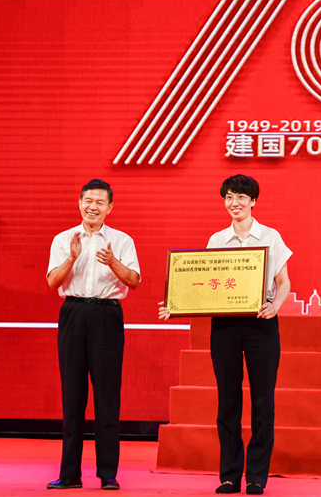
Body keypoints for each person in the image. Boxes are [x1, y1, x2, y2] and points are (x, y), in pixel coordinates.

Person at [160, 174, 292, 496]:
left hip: (261, 324)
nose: (235, 203)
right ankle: (230, 475)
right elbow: (207, 285)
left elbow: (284, 282)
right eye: (229, 197)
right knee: (228, 400)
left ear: (253, 201)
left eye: (241, 197)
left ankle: (257, 476)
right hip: (224, 327)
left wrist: (275, 306)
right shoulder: (217, 239)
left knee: (263, 401)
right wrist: (177, 304)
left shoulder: (271, 236)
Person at [46, 179, 141, 491]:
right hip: (73, 314)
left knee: (107, 397)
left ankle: (108, 474)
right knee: (72, 398)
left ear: (109, 207)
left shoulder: (122, 241)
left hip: (106, 315)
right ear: (79, 203)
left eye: (100, 202)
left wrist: (113, 262)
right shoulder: (63, 239)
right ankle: (69, 474)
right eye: (88, 200)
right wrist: (72, 258)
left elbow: (134, 280)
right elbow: (52, 282)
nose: (93, 207)